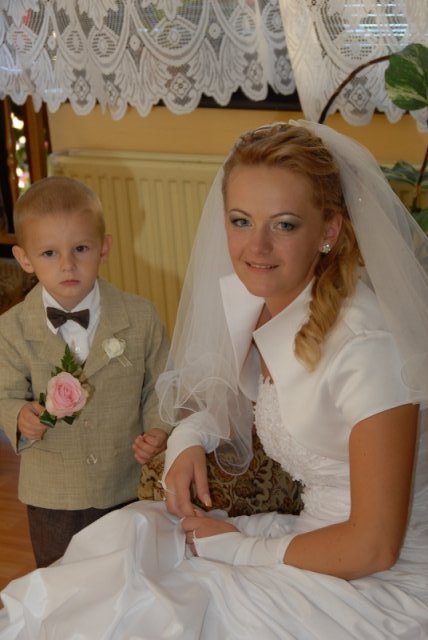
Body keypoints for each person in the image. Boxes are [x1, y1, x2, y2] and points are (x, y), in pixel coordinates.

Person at [0, 122, 427, 639]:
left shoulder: (368, 347)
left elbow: (375, 547)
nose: (257, 246)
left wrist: (240, 550)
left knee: (156, 610)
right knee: (127, 550)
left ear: (329, 230)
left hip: (373, 575)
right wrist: (188, 438)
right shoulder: (258, 298)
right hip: (309, 539)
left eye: (285, 225)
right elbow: (226, 399)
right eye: (241, 221)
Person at [0, 176, 171, 568]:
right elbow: (4, 395)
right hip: (53, 497)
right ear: (25, 259)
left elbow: (161, 385)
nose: (67, 264)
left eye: (80, 248)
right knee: (63, 584)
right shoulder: (11, 329)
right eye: (49, 253)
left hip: (126, 485)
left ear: (104, 247)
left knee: (128, 576)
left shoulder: (141, 317)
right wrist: (20, 416)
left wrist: (159, 429)